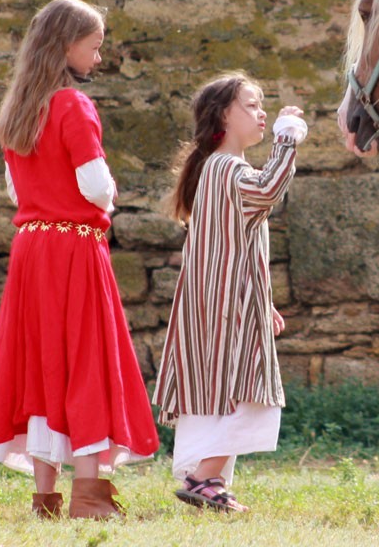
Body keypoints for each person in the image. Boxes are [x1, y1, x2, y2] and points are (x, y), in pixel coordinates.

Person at [0, 0, 159, 520]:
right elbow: (96, 187)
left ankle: (45, 499)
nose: (98, 58)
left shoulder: (17, 111)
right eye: (94, 46)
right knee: (84, 360)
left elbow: (17, 190)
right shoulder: (72, 105)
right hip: (73, 249)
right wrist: (111, 192)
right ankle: (88, 494)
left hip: (32, 248)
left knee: (42, 364)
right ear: (66, 46)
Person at [152, 72, 307, 513]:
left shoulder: (215, 169)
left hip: (222, 300)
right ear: (224, 114)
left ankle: (210, 480)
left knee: (222, 388)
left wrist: (267, 301)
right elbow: (267, 190)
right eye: (252, 106)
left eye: (263, 107)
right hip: (226, 304)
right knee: (246, 387)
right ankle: (203, 478)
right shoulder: (227, 168)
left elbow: (239, 240)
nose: (261, 114)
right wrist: (287, 138)